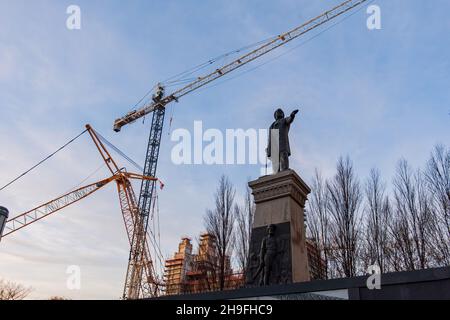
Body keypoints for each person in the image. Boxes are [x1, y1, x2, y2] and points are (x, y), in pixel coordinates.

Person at [267, 108, 299, 173]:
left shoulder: (284, 120)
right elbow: (269, 138)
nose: (278, 113)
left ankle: (285, 170)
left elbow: (289, 119)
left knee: (283, 156)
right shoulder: (272, 125)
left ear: (283, 114)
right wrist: (268, 148)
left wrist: (292, 115)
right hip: (274, 144)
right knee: (275, 161)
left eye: (280, 112)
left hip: (282, 142)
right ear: (275, 115)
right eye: (277, 112)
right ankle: (276, 172)